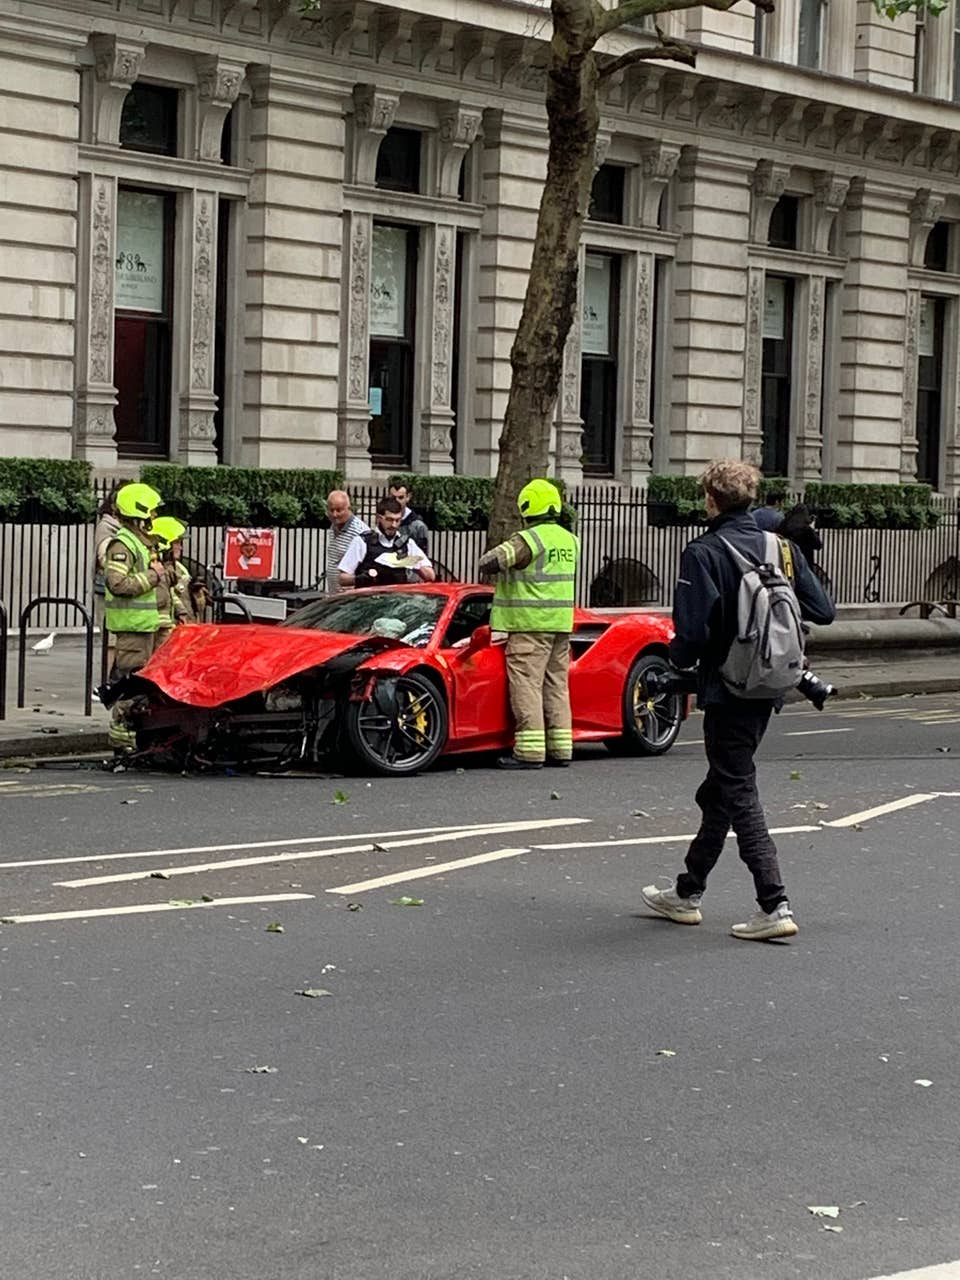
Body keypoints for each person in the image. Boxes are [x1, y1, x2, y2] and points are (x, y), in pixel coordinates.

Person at [641, 460, 835, 941]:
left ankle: (774, 903)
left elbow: (691, 634)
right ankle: (687, 891)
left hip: (727, 686)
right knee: (721, 791)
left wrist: (674, 662)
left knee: (739, 790)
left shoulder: (704, 552)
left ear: (710, 499)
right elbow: (823, 611)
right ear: (753, 498)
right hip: (771, 684)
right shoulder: (781, 547)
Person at [478, 479, 580, 770]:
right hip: (561, 624)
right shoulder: (570, 540)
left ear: (526, 507)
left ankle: (530, 751)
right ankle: (561, 748)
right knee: (557, 685)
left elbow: (489, 562)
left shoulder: (528, 540)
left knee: (527, 685)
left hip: (529, 625)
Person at [103, 482, 171, 752]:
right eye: (151, 513)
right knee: (133, 684)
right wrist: (153, 576)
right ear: (138, 513)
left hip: (146, 626)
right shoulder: (122, 545)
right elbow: (117, 584)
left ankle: (139, 738)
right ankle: (122, 738)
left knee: (145, 682)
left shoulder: (141, 544)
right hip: (132, 628)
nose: (153, 518)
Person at [338, 495, 435, 588]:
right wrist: (362, 579)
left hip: (397, 601)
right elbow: (342, 579)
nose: (394, 525)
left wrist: (411, 561)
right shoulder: (363, 542)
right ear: (378, 518)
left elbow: (430, 576)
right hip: (368, 601)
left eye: (397, 520)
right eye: (389, 519)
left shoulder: (407, 544)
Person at [93, 481, 124, 677]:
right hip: (106, 591)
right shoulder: (107, 526)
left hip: (119, 592)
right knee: (111, 641)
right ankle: (105, 681)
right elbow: (104, 558)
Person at [151, 516, 193, 637]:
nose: (180, 547)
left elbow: (170, 592)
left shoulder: (169, 566)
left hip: (164, 626)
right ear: (165, 543)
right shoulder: (155, 566)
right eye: (177, 543)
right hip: (153, 626)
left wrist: (181, 612)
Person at [325, 490, 368, 594]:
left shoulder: (360, 532)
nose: (335, 514)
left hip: (349, 594)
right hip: (334, 593)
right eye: (332, 510)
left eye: (339, 510)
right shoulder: (334, 526)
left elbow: (367, 564)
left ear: (348, 508)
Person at [388, 478, 430, 556]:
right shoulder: (383, 521)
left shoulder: (418, 526)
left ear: (408, 497)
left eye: (400, 497)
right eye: (393, 498)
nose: (396, 501)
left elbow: (422, 557)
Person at [779, 502, 823, 569]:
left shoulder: (783, 526)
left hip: (787, 562)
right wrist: (812, 530)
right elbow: (818, 545)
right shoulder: (806, 529)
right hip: (804, 562)